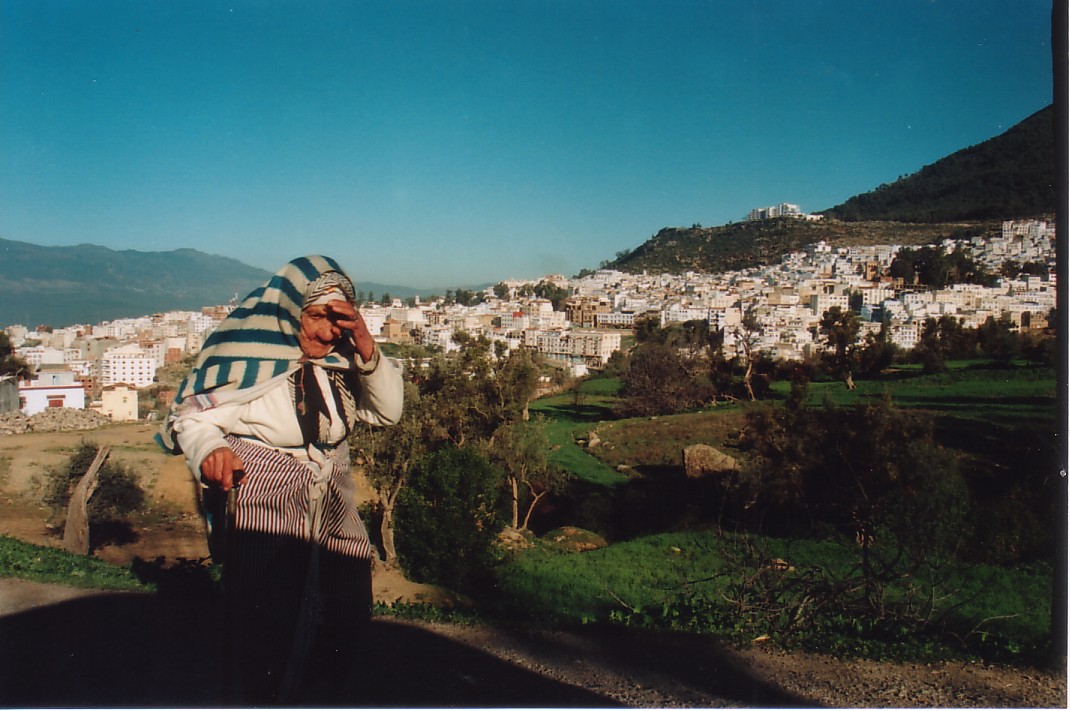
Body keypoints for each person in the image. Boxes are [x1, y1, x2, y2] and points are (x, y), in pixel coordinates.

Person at [158, 255, 403, 705]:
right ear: (291, 310)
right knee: (264, 608)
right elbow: (192, 419)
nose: (327, 332)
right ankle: (259, 696)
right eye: (317, 318)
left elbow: (386, 412)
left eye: (338, 322)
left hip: (332, 486)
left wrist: (366, 346)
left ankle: (320, 692)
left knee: (347, 599)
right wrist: (211, 451)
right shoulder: (249, 360)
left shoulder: (343, 359)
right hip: (265, 487)